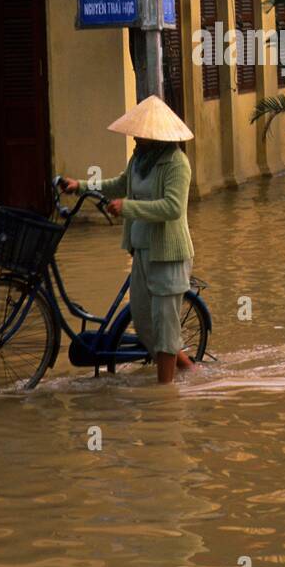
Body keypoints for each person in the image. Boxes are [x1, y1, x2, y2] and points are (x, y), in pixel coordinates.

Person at [60, 95, 197, 384]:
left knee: (165, 329)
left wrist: (128, 207)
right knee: (145, 325)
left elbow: (172, 207)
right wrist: (81, 185)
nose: (135, 138)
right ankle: (190, 369)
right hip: (142, 251)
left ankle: (165, 397)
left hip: (169, 256)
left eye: (140, 134)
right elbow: (119, 184)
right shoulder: (139, 160)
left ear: (154, 136)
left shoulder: (177, 164)